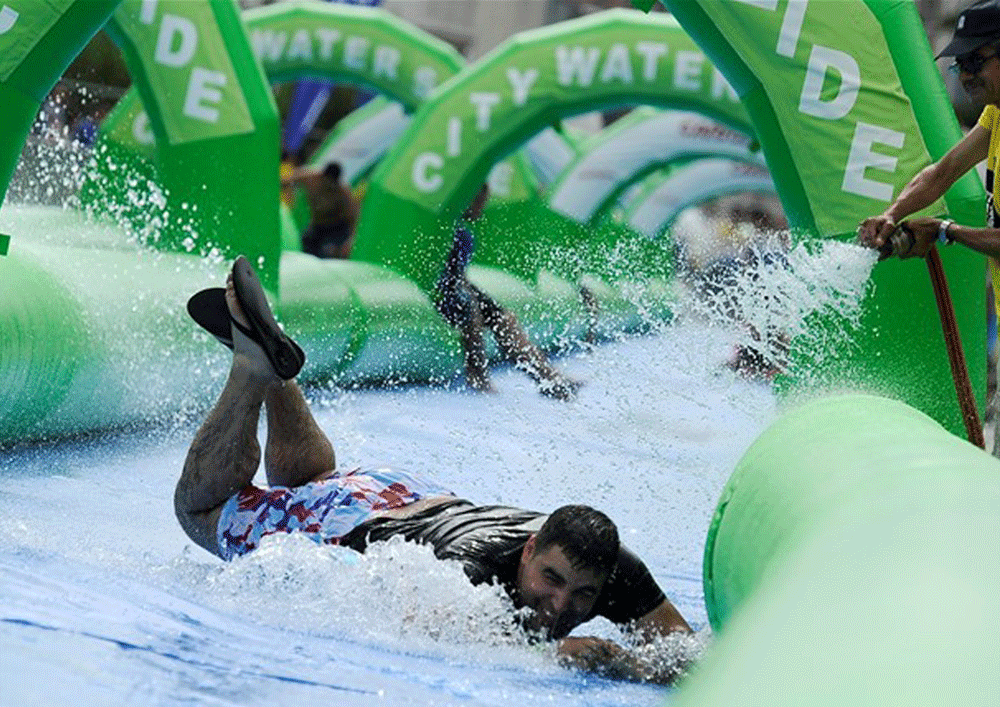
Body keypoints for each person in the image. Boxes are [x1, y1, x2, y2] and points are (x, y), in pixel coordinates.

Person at [176, 256, 692, 683]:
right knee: (198, 510)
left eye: (582, 595)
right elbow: (438, 634)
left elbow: (686, 654)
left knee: (308, 481)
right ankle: (251, 370)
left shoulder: (611, 565)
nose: (559, 607)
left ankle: (278, 373)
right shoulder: (471, 575)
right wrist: (551, 658)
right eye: (551, 580)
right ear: (530, 548)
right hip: (358, 521)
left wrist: (626, 662)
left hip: (403, 490)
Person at [857, 0, 1000, 453]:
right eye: (960, 64)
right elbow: (940, 173)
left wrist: (944, 231)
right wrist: (892, 214)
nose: (966, 75)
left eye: (976, 60)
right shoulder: (996, 117)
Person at [436, 184, 581, 399]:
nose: (482, 206)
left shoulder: (463, 232)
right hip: (441, 290)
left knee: (505, 319)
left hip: (457, 285)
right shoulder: (446, 230)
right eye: (479, 199)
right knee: (472, 309)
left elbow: (459, 274)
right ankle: (478, 377)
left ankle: (546, 376)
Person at [281, 161, 359, 259]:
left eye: (332, 185)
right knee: (304, 248)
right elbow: (286, 180)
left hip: (337, 227)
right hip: (317, 225)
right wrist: (287, 189)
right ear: (323, 177)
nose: (329, 187)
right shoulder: (310, 178)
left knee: (327, 252)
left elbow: (353, 217)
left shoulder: (343, 192)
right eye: (327, 183)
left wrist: (349, 241)